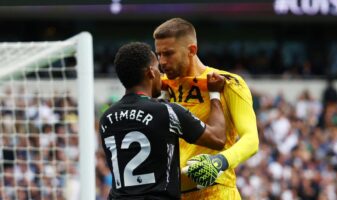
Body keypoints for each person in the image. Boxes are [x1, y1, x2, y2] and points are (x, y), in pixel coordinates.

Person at [99, 42, 228, 200]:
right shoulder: (166, 111)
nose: (162, 74)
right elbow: (218, 137)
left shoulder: (107, 118)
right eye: (159, 69)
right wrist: (214, 94)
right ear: (151, 73)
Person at [153, 18, 259, 199]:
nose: (162, 62)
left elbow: (251, 140)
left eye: (168, 54)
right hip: (174, 193)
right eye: (159, 54)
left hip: (216, 191)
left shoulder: (228, 83)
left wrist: (219, 162)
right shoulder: (160, 85)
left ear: (191, 50)